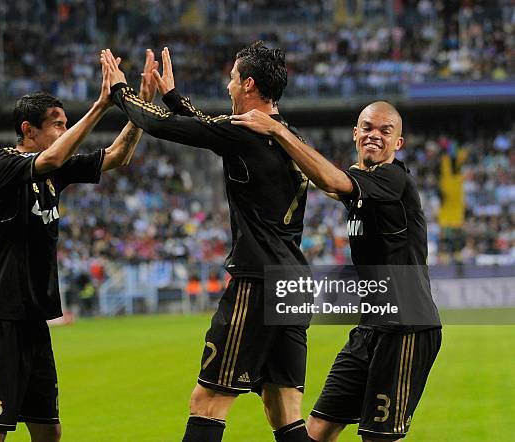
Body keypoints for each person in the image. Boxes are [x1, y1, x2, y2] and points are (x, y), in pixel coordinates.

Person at [104, 43, 314, 442]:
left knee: (207, 403)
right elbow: (209, 127)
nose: (228, 85)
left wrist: (120, 91)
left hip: (259, 282)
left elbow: (163, 127)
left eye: (233, 78)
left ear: (248, 83)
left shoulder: (243, 134)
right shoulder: (285, 134)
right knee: (283, 411)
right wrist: (173, 96)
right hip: (295, 281)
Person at [0, 49, 158, 442]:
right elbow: (51, 158)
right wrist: (102, 105)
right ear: (28, 130)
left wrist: (142, 107)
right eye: (56, 125)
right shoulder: (3, 165)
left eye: (65, 124)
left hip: (33, 320)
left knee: (49, 431)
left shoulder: (54, 169)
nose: (63, 131)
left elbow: (118, 156)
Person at [231, 101, 442, 441]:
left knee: (376, 437)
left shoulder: (394, 179)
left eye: (385, 131)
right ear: (356, 133)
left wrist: (277, 130)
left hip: (408, 329)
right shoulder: (361, 185)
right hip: (370, 328)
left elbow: (329, 178)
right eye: (368, 128)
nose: (375, 136)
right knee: (316, 431)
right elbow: (325, 180)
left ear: (398, 143)